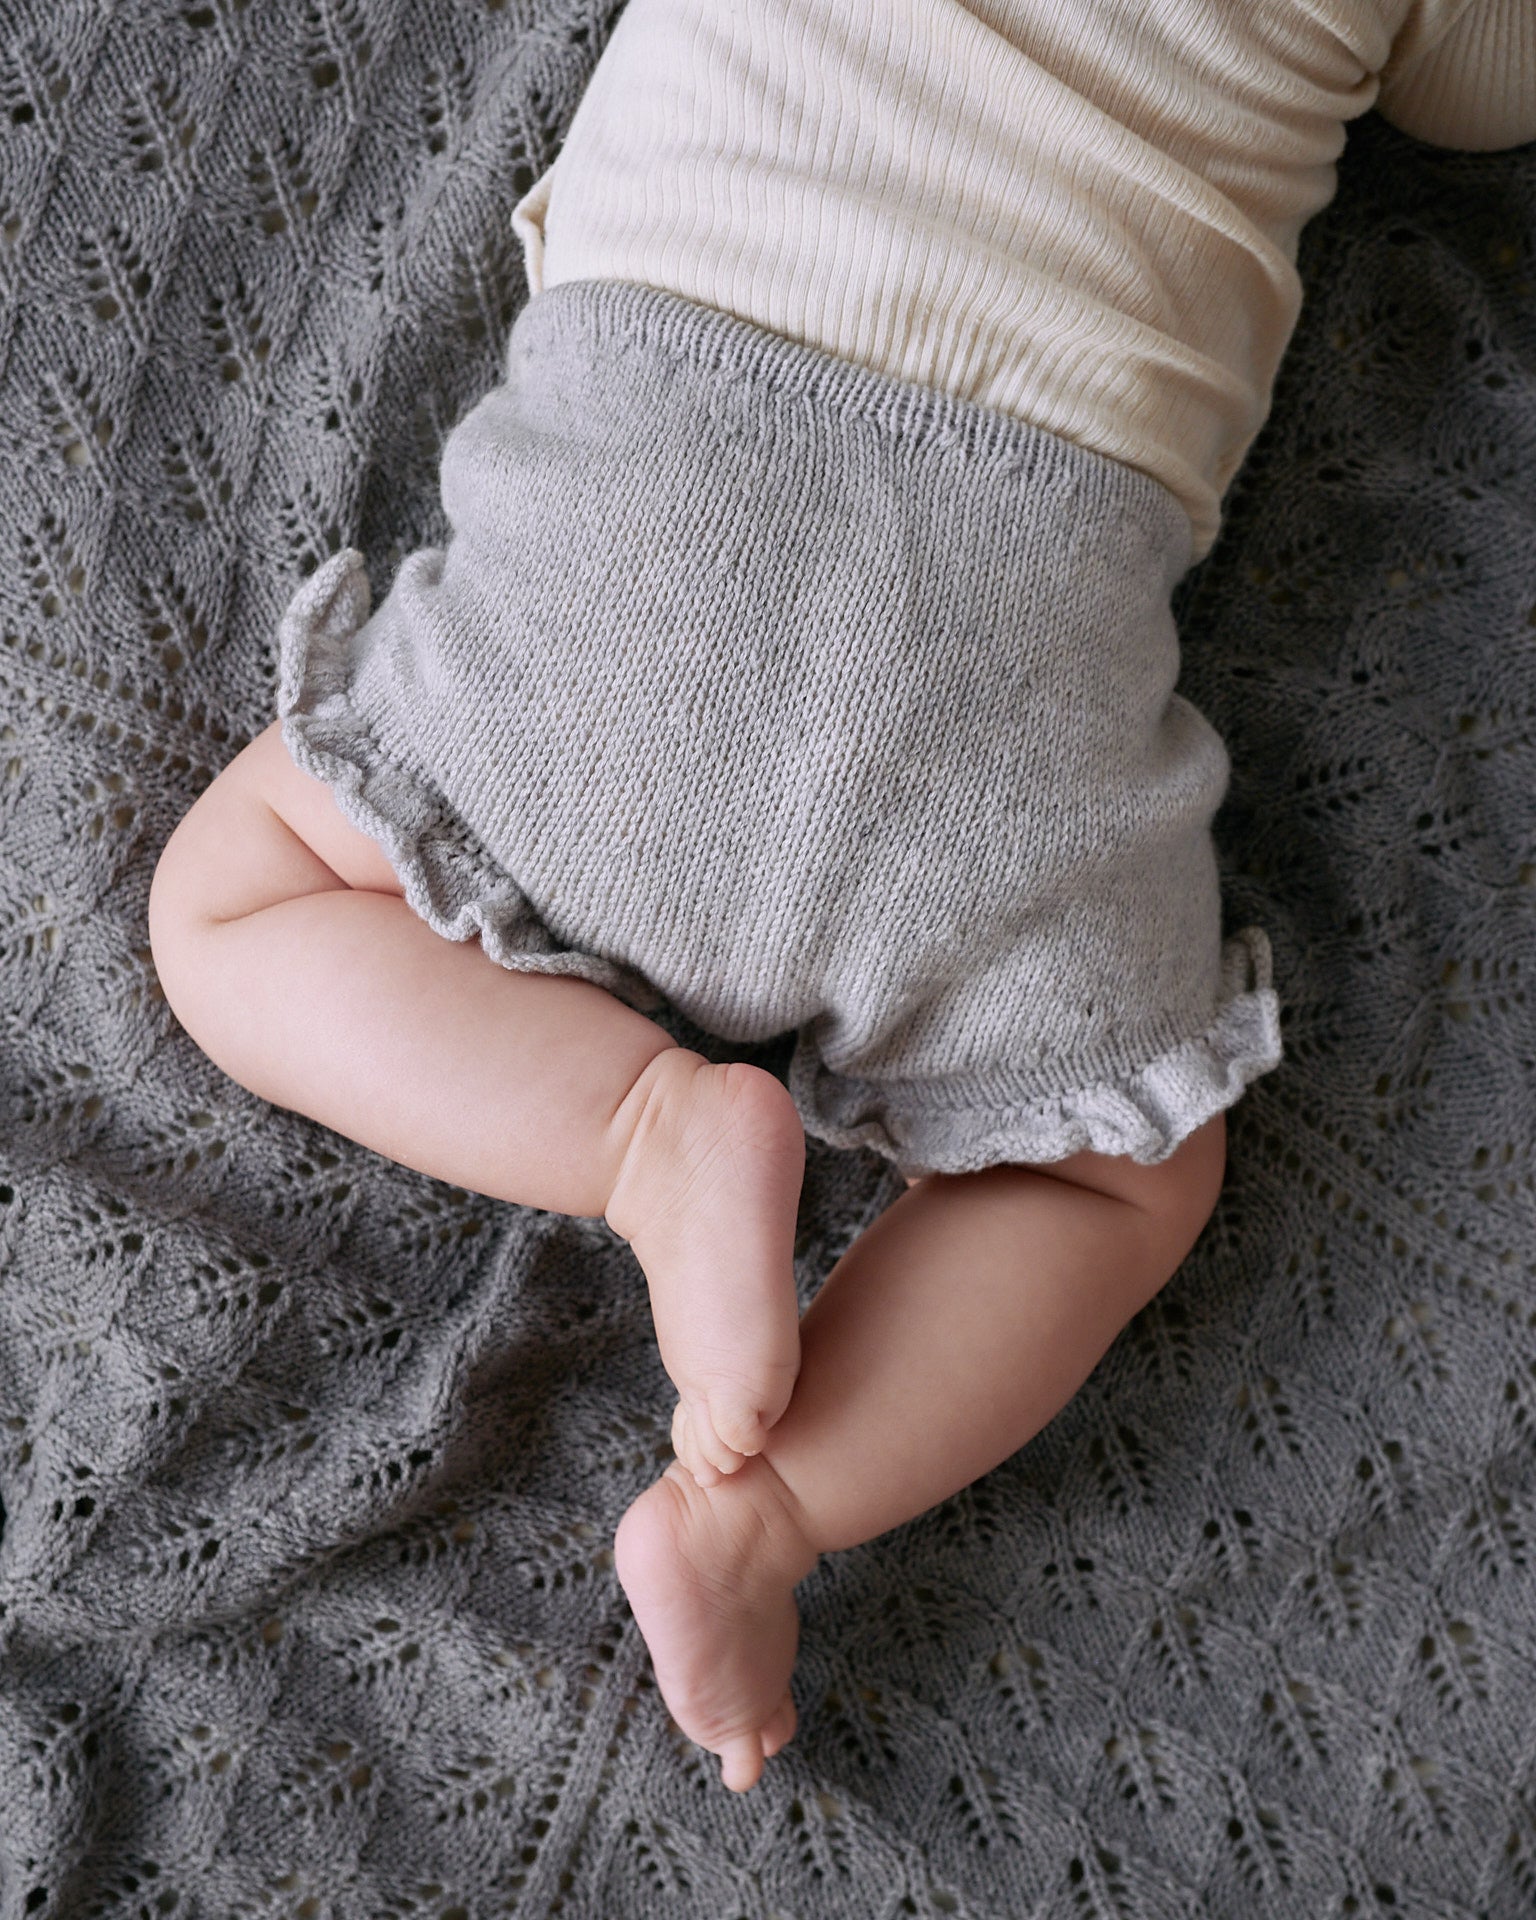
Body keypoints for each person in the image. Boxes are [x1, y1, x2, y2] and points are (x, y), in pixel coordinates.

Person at [146, 0, 1534, 1794]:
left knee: (230, 905)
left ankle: (645, 1135)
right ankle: (767, 1511)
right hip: (1021, 620)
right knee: (1116, 1169)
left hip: (653, 481)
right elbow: (1487, 96)